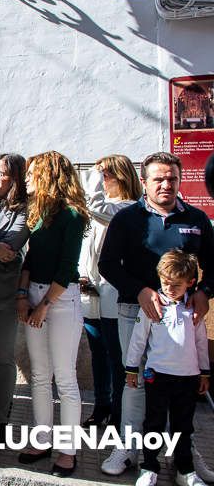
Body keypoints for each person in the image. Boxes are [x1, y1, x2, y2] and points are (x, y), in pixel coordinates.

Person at [98, 151, 214, 476]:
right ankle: (128, 450)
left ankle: (183, 457)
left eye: (172, 178)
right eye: (158, 179)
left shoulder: (196, 219)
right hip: (134, 309)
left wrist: (204, 293)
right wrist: (140, 290)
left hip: (181, 318)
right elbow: (107, 264)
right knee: (134, 382)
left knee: (180, 391)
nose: (166, 184)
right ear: (144, 182)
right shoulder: (127, 219)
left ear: (179, 180)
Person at [16, 151, 88, 478]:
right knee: (40, 375)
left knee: (65, 377)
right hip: (34, 295)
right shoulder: (36, 213)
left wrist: (44, 305)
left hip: (60, 299)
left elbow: (67, 267)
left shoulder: (73, 216)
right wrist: (23, 295)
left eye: (32, 174)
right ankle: (42, 438)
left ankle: (68, 450)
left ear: (47, 175)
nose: (26, 178)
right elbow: (30, 259)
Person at [126, 250, 209, 486]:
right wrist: (131, 369)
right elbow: (138, 340)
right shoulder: (153, 307)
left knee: (183, 426)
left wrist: (204, 372)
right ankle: (149, 467)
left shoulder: (194, 310)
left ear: (190, 283)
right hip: (157, 376)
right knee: (154, 423)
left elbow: (201, 343)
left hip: (188, 378)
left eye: (177, 285)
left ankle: (185, 470)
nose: (171, 289)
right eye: (166, 283)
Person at [78, 155, 141, 428]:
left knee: (117, 358)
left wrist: (91, 174)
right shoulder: (101, 210)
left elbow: (97, 206)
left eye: (105, 176)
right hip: (91, 292)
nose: (101, 182)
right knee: (98, 356)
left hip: (114, 294)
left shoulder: (128, 208)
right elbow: (87, 246)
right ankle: (101, 405)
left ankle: (119, 411)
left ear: (122, 177)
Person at [0, 153, 29, 444]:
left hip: (3, 295)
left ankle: (0, 421)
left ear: (16, 180)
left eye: (2, 174)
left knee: (1, 359)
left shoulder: (23, 210)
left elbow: (11, 245)